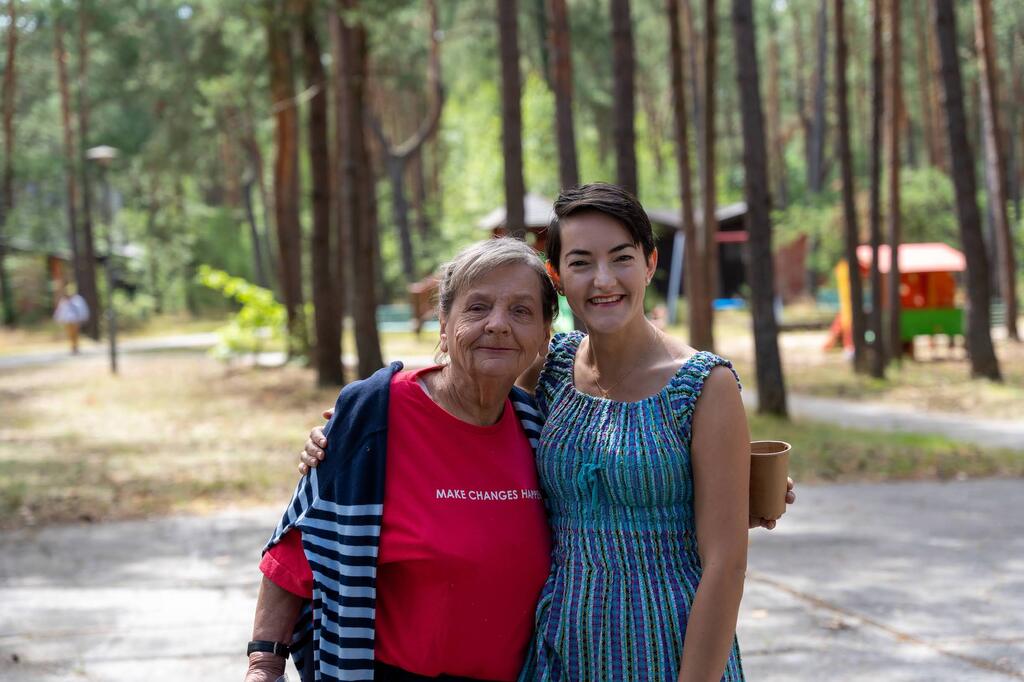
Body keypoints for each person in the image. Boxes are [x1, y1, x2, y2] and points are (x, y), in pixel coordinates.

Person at [302, 184, 796, 680]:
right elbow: (468, 405)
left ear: (650, 263)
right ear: (558, 278)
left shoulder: (703, 385)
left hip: (669, 641)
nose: (604, 279)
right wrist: (364, 421)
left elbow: (725, 565)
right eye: (581, 262)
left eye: (621, 258)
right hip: (559, 644)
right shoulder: (550, 367)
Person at [245, 238, 559, 682]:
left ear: (546, 333)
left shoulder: (543, 432)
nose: (498, 325)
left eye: (521, 311)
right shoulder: (377, 413)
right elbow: (298, 548)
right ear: (444, 324)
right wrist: (264, 665)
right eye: (477, 307)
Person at [53, 284, 90, 354]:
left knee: (75, 334)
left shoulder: (78, 299)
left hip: (75, 320)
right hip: (67, 321)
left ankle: (76, 347)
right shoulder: (64, 301)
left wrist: (84, 317)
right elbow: (60, 311)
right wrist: (58, 319)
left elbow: (83, 309)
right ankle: (73, 347)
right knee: (70, 335)